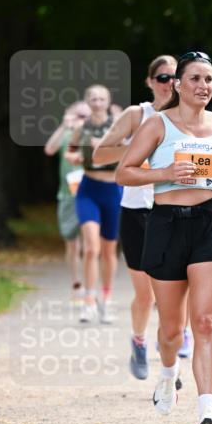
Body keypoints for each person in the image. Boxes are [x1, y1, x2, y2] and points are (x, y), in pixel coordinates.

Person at [116, 50, 212, 424]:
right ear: (177, 84)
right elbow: (124, 173)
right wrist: (165, 172)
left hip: (210, 222)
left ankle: (207, 413)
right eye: (194, 78)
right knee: (172, 329)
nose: (203, 86)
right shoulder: (158, 125)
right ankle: (168, 372)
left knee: (206, 322)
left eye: (208, 79)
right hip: (166, 224)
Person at [92, 55, 193, 380]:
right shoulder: (137, 115)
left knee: (176, 289)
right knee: (146, 294)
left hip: (178, 210)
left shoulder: (191, 118)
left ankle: (173, 350)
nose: (169, 83)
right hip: (138, 212)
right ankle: (138, 339)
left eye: (175, 77)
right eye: (162, 77)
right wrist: (139, 146)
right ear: (150, 82)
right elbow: (99, 154)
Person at [65, 85, 123, 324]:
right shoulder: (82, 128)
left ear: (108, 102)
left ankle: (106, 299)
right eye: (93, 99)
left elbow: (132, 151)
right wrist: (76, 157)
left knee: (109, 251)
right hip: (88, 189)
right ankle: (89, 300)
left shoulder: (119, 126)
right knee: (90, 247)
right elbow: (69, 152)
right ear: (87, 102)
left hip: (113, 190)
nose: (97, 102)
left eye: (101, 99)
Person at [44, 100, 90, 304]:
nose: (81, 119)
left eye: (84, 116)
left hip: (90, 193)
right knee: (72, 244)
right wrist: (64, 125)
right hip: (67, 195)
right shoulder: (65, 135)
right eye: (77, 115)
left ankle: (90, 286)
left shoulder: (93, 135)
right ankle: (76, 284)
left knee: (91, 244)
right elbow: (49, 149)